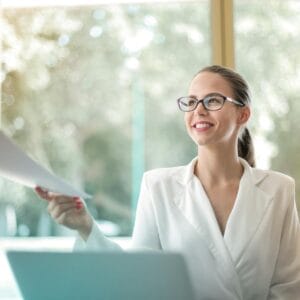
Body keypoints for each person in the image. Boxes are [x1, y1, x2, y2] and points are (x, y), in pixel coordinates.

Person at [36, 65, 300, 299]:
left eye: (213, 100)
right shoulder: (157, 186)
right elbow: (139, 278)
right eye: (192, 101)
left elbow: (289, 287)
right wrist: (85, 227)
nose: (198, 110)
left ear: (243, 115)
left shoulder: (279, 189)